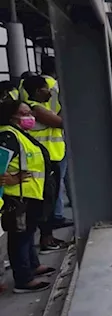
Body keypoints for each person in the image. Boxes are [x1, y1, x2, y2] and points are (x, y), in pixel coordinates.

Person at [0, 99, 56, 293]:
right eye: (24, 114)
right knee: (20, 238)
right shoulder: (7, 136)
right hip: (17, 197)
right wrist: (12, 179)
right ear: (11, 116)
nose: (29, 117)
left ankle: (33, 265)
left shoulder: (20, 134)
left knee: (28, 233)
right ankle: (24, 280)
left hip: (30, 194)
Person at [20, 75, 67, 253]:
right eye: (47, 89)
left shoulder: (44, 107)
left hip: (50, 158)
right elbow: (61, 122)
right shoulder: (35, 108)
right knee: (46, 202)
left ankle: (48, 236)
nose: (50, 92)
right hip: (44, 161)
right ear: (38, 91)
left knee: (51, 199)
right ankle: (46, 240)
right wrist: (66, 102)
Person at [41, 56, 72, 227]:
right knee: (57, 182)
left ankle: (57, 214)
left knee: (56, 182)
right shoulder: (53, 86)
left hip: (41, 144)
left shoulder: (27, 85)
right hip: (54, 143)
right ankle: (57, 216)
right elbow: (59, 117)